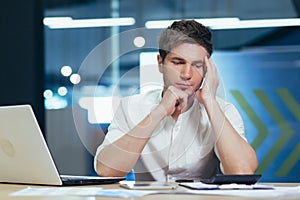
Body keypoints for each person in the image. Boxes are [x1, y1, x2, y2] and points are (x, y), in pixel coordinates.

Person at [94, 20, 258, 181]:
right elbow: (106, 170)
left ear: (208, 68)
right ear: (160, 63)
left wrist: (210, 102)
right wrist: (159, 111)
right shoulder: (131, 106)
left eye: (197, 65)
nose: (187, 74)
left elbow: (242, 172)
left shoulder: (224, 111)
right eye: (178, 62)